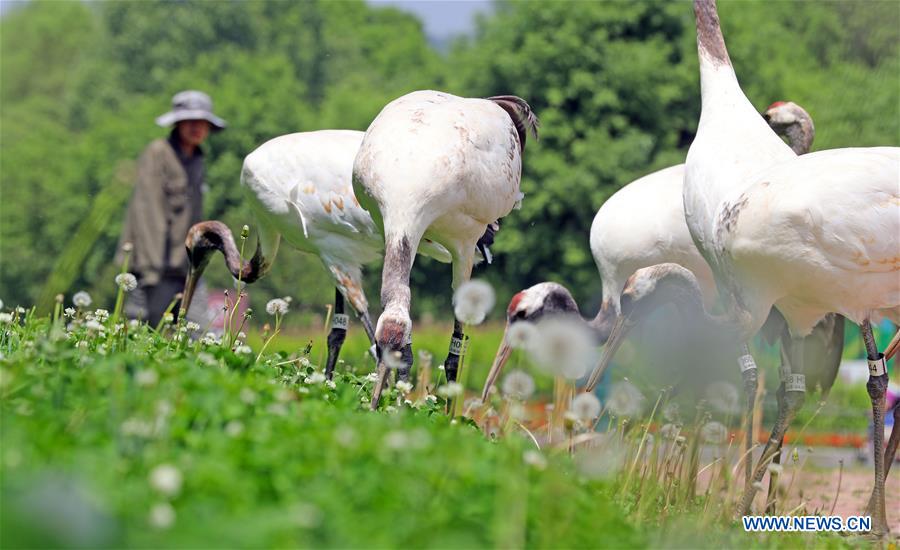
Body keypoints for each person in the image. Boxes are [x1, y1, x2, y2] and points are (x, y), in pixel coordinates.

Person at [118, 90, 227, 326]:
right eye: (190, 122)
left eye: (202, 123)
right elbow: (147, 214)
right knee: (146, 331)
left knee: (198, 331)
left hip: (186, 264)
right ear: (178, 124)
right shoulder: (158, 153)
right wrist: (152, 271)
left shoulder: (197, 159)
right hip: (155, 266)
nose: (196, 128)